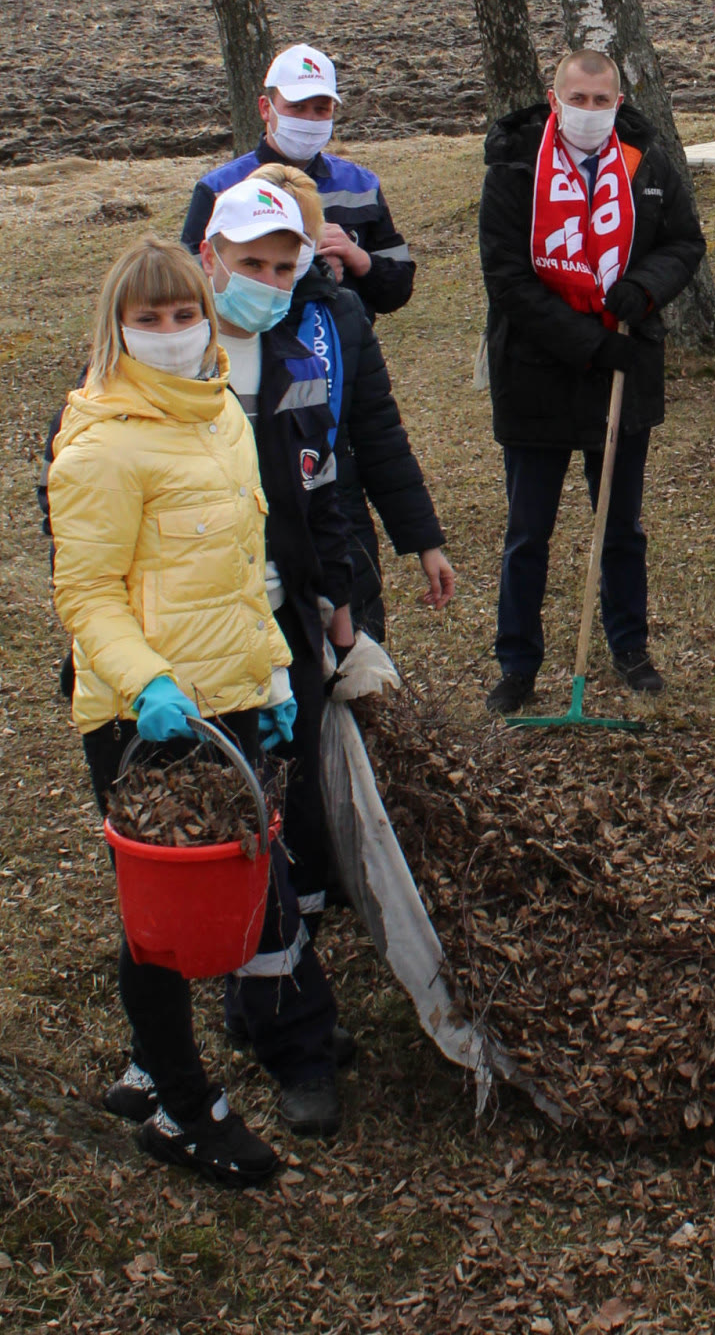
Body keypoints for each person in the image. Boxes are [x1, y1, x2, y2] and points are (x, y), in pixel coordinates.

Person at [47, 238, 339, 1187]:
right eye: (150, 319)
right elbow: (85, 595)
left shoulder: (219, 415)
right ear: (117, 329)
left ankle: (154, 1055)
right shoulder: (100, 444)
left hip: (234, 698)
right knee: (160, 919)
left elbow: (240, 572)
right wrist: (146, 686)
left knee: (221, 893)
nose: (172, 334)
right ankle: (182, 1105)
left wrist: (276, 675)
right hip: (152, 717)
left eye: (184, 316)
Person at [195, 175, 359, 1134]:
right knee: (240, 832)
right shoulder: (173, 359)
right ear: (211, 256)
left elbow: (323, 483)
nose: (263, 279)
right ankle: (297, 1040)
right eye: (247, 263)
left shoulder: (296, 355)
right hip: (204, 643)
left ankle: (262, 1004)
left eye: (280, 264)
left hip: (284, 630)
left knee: (286, 826)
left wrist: (336, 603)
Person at [477, 48, 706, 713]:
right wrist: (589, 344)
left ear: (619, 103)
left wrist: (643, 288)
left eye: (601, 101)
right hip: (536, 369)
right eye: (577, 100)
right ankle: (518, 663)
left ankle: (629, 646)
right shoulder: (514, 164)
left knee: (621, 524)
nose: (589, 112)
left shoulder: (648, 160)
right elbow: (507, 277)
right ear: (554, 101)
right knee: (529, 528)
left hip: (624, 367)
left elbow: (685, 243)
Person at [256, 163, 456, 642]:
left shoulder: (342, 314)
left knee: (354, 678)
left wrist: (424, 539)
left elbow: (379, 436)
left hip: (339, 529)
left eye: (297, 243)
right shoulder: (204, 327)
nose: (275, 264)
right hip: (246, 547)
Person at [181, 42, 415, 321]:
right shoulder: (218, 188)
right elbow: (189, 287)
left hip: (346, 351)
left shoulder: (361, 186)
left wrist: (357, 257)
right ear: (266, 108)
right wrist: (306, 270)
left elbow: (399, 288)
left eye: (321, 109)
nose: (309, 119)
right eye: (297, 107)